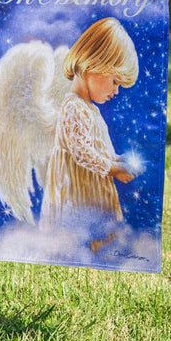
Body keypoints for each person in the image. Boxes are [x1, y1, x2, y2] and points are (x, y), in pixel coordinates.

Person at [40, 17, 139, 230]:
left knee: (101, 236)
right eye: (115, 82)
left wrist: (117, 159)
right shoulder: (74, 107)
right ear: (94, 64)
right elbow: (82, 153)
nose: (115, 91)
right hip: (77, 193)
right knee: (83, 235)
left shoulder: (89, 108)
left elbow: (96, 145)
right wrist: (114, 169)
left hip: (91, 186)